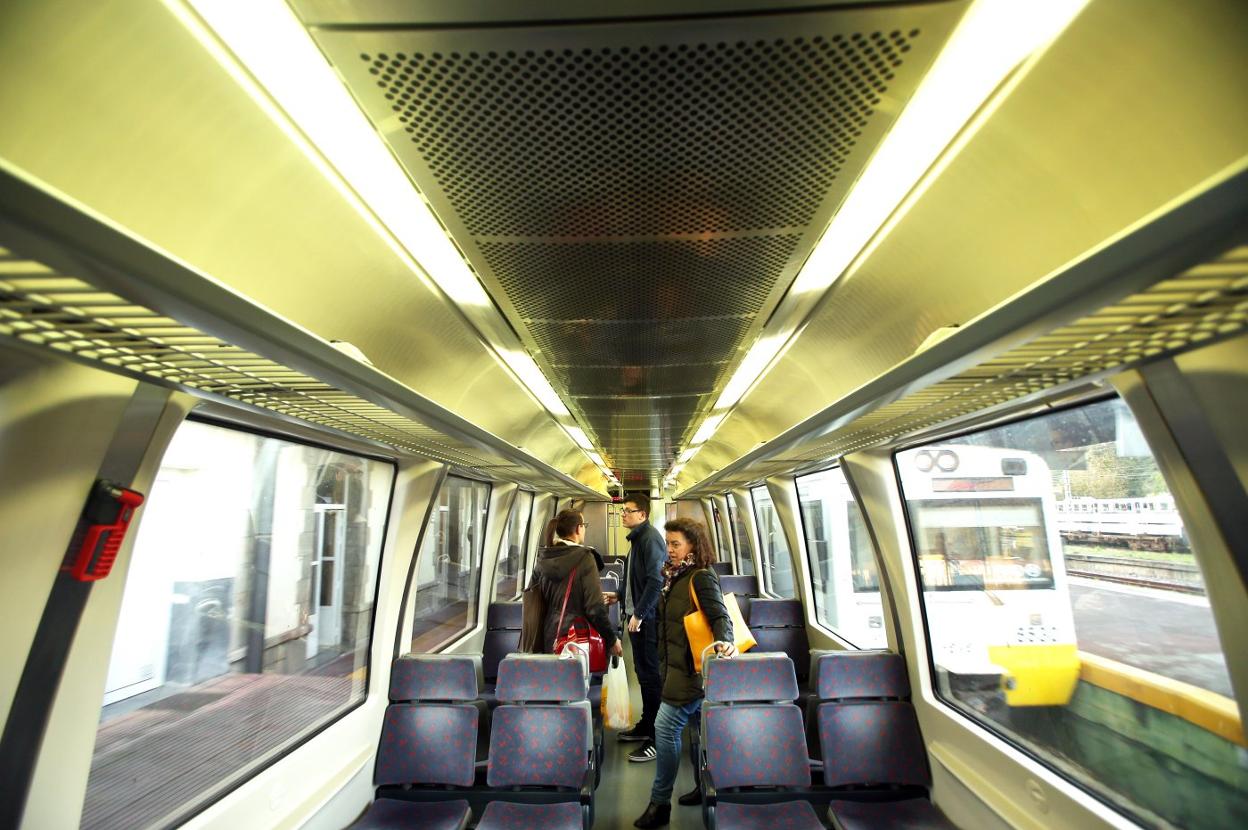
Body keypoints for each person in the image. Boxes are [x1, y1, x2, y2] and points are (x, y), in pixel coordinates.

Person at [634, 517, 737, 830]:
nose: (670, 550)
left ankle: (659, 803)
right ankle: (701, 787)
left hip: (691, 672)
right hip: (676, 667)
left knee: (664, 727)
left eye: (676, 543)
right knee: (696, 729)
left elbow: (721, 616)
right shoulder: (675, 576)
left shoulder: (701, 577)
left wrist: (725, 642)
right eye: (668, 543)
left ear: (693, 545)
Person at [606, 493, 665, 762]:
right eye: (622, 511)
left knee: (651, 676)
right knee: (642, 674)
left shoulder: (650, 540)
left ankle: (656, 737)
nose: (623, 515)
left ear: (642, 514)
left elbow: (655, 581)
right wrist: (619, 595)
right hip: (637, 616)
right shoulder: (638, 540)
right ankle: (646, 724)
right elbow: (634, 578)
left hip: (648, 620)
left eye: (628, 511)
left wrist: (639, 614)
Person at [532, 509, 623, 661]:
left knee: (555, 682)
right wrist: (611, 639)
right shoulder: (585, 558)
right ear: (578, 528)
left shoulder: (544, 558)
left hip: (549, 635)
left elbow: (534, 599)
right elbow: (594, 607)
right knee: (577, 682)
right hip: (577, 636)